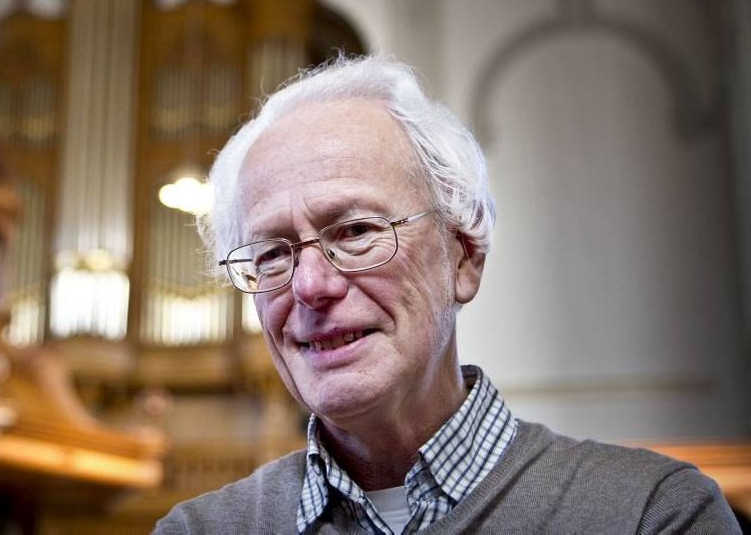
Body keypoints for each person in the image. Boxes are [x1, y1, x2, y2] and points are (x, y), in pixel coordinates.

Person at [155, 56, 740, 534]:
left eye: (357, 231)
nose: (309, 285)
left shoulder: (652, 515)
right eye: (273, 254)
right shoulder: (199, 530)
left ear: (463, 255)